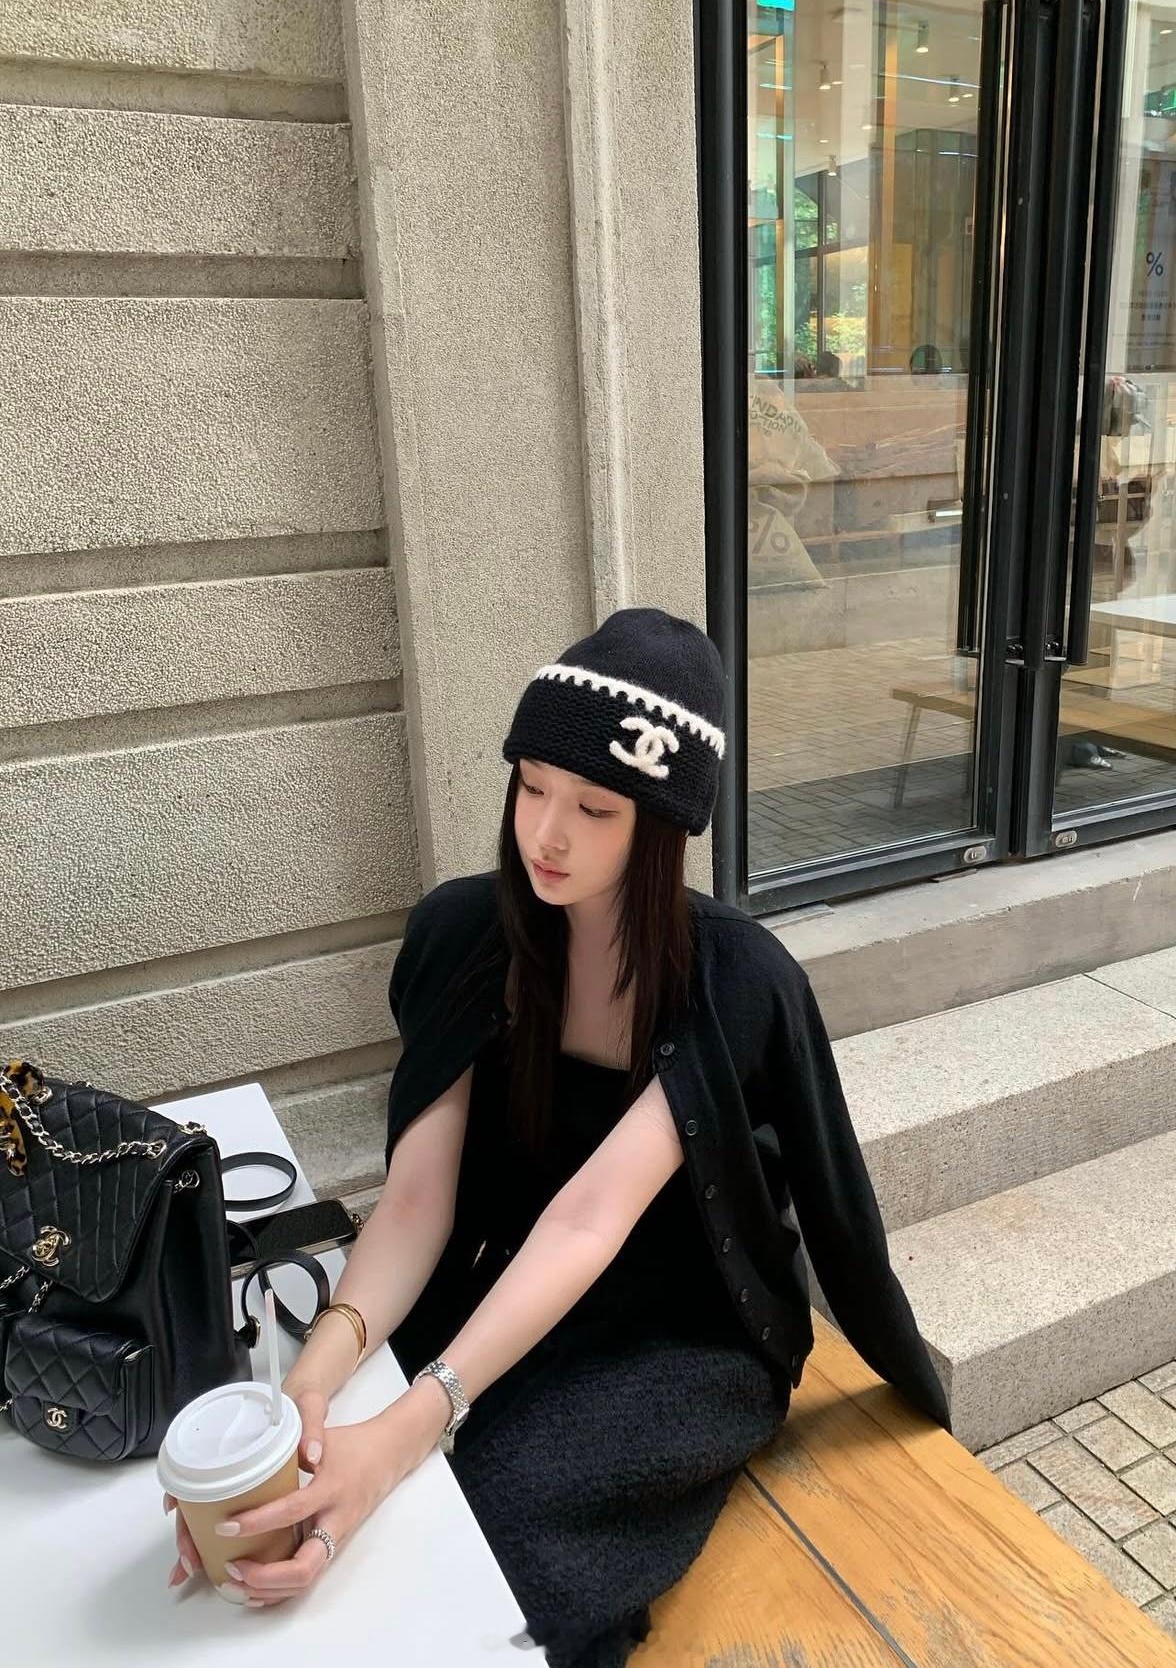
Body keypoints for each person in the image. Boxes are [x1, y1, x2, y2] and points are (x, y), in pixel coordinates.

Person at [166, 607, 950, 1663]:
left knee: (487, 1540)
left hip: (683, 1329)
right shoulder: (466, 934)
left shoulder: (727, 978)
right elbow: (417, 1200)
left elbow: (589, 1217)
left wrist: (405, 1430)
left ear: (661, 826)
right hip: (503, 1278)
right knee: (308, 1470)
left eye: (594, 807)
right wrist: (311, 1381)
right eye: (531, 785)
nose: (546, 832)